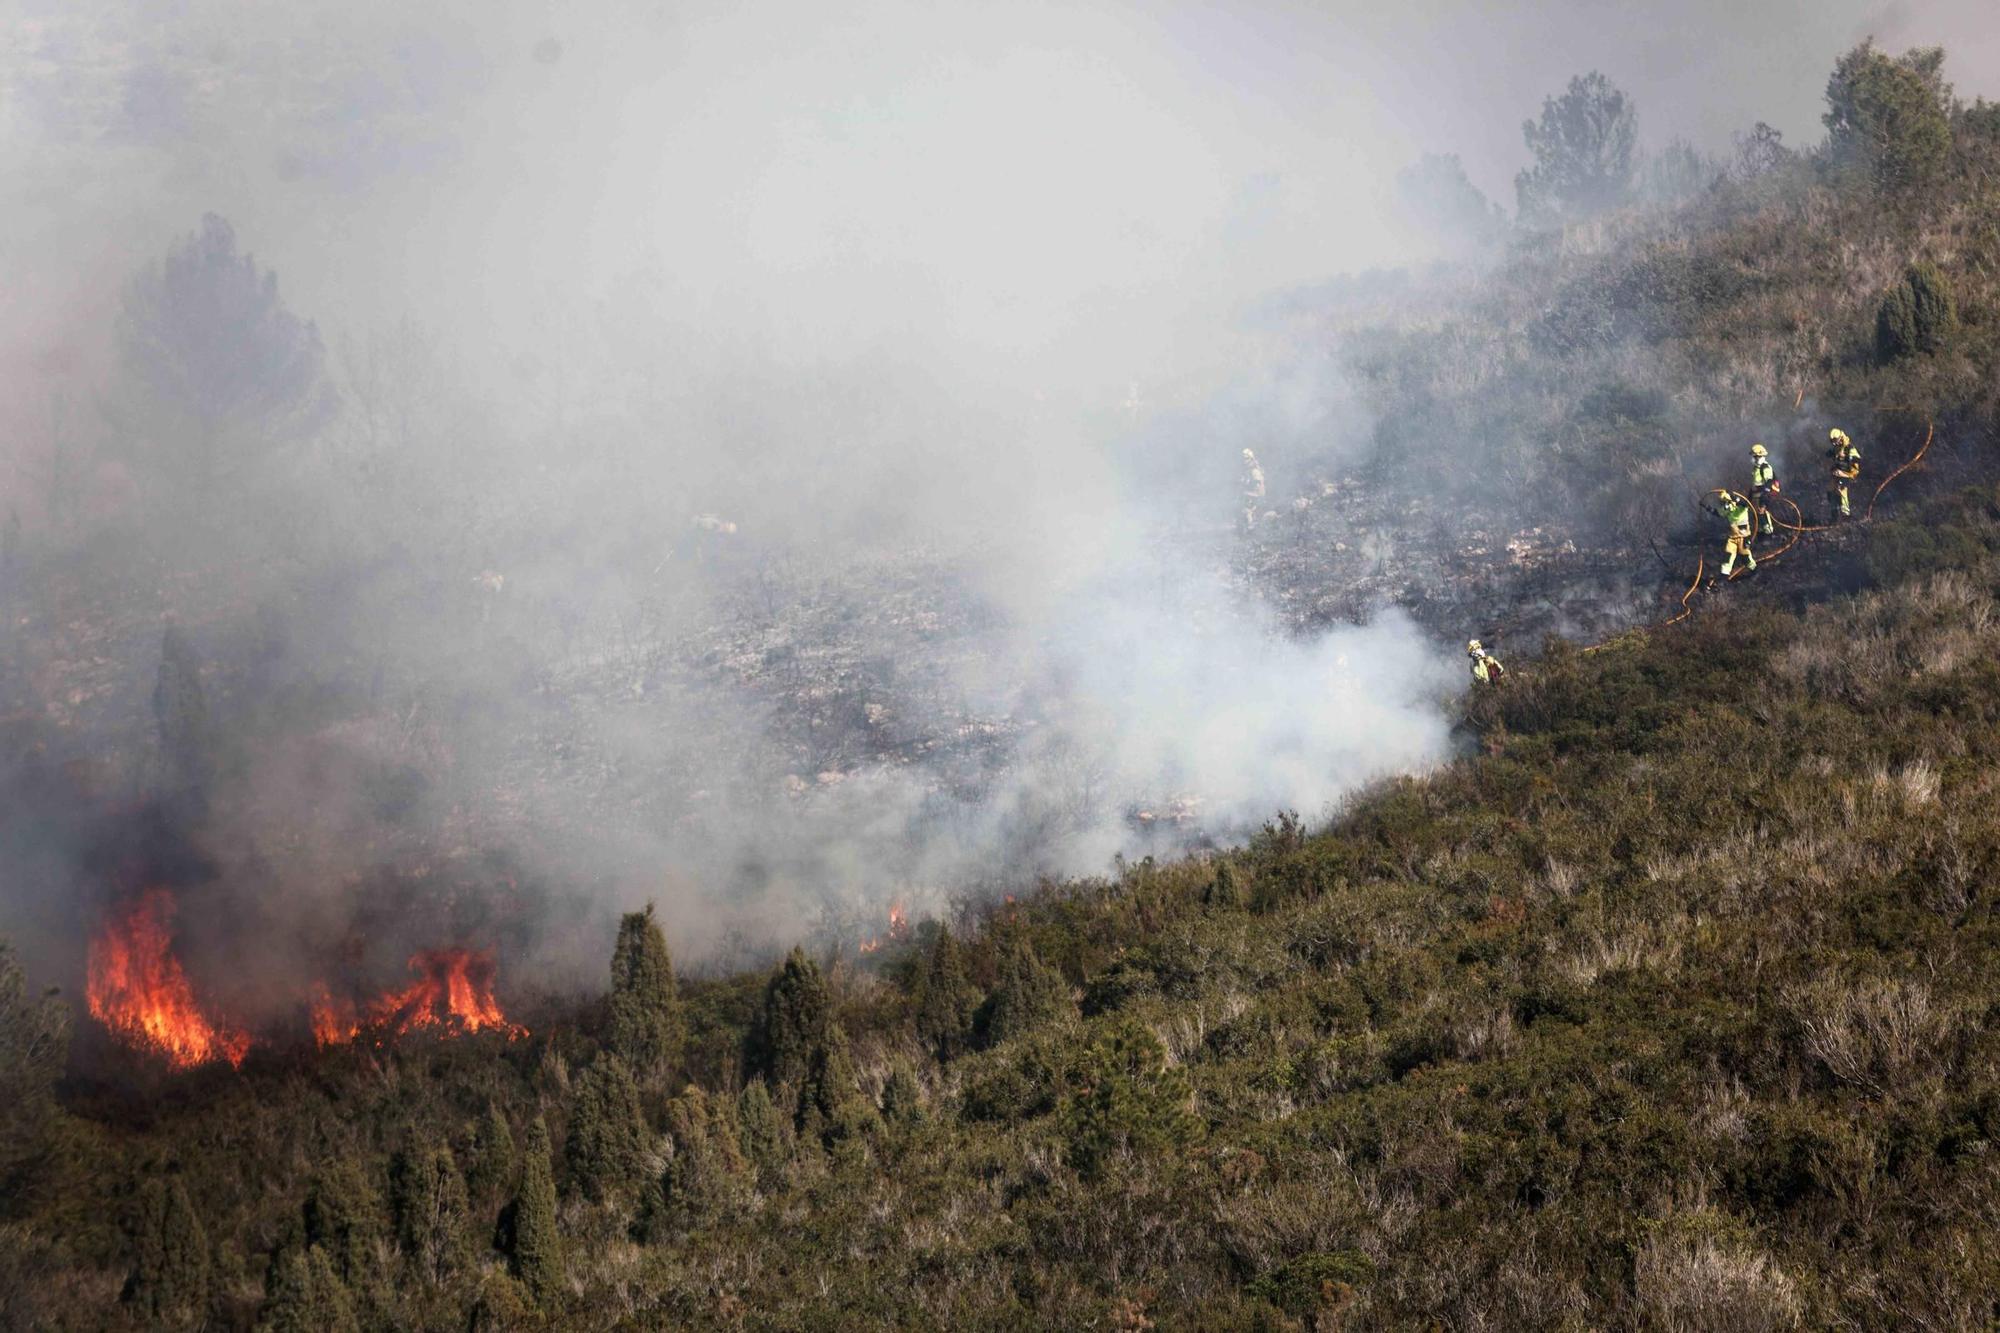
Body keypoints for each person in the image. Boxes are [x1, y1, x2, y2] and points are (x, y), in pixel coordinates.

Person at [1710, 489, 1756, 577]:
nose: (1724, 505)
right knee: (1728, 555)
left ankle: (1754, 570)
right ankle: (1724, 574)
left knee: (1745, 556)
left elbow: (1747, 503)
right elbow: (1718, 513)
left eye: (1725, 502)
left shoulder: (1741, 507)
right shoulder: (1727, 509)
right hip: (1732, 538)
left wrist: (1738, 498)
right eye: (1723, 503)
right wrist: (1707, 507)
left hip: (1743, 536)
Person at [1827, 428, 1861, 521]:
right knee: (1831, 489)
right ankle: (1834, 512)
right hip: (1840, 472)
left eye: (1835, 441)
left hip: (1850, 472)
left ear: (1841, 438)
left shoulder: (1849, 447)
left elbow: (1858, 459)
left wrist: (1847, 457)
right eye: (1832, 441)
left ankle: (1846, 514)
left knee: (1841, 489)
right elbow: (1833, 455)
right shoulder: (1837, 448)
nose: (1834, 443)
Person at [1749, 443, 1778, 535]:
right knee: (1757, 514)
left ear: (1758, 456)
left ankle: (1769, 532)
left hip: (1765, 494)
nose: (1752, 458)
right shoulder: (1756, 468)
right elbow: (1755, 483)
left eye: (1754, 456)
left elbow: (1769, 481)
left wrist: (1765, 493)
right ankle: (1761, 532)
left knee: (1763, 513)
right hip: (1758, 494)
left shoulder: (1765, 467)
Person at [1239, 448, 1266, 532]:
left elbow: (1258, 486)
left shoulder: (1255, 471)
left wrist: (1249, 492)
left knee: (1247, 510)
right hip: (1250, 494)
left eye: (1246, 458)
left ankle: (1251, 526)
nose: (1244, 461)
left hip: (1255, 495)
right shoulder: (1248, 471)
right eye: (1243, 459)